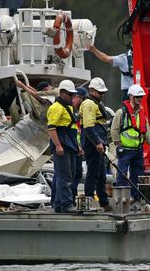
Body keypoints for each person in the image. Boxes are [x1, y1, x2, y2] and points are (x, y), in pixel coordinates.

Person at [110, 84, 150, 201]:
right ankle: (122, 198)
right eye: (137, 97)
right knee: (122, 174)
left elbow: (147, 130)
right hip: (125, 150)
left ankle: (135, 198)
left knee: (137, 174)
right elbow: (114, 130)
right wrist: (118, 144)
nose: (140, 99)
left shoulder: (141, 114)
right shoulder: (121, 113)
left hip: (137, 150)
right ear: (131, 97)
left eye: (141, 97)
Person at [47, 80, 79, 213]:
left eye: (73, 95)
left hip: (69, 143)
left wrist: (78, 146)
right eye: (70, 95)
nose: (72, 97)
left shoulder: (69, 107)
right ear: (62, 93)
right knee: (64, 176)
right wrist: (58, 146)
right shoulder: (55, 108)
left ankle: (59, 204)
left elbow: (72, 127)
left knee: (68, 175)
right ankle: (66, 204)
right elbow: (51, 128)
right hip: (62, 143)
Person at [79, 77, 110, 210]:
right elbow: (89, 127)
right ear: (91, 90)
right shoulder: (89, 104)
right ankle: (89, 200)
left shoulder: (95, 103)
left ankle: (103, 202)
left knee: (101, 174)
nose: (102, 95)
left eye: (102, 93)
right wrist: (97, 143)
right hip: (93, 144)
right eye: (99, 92)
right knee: (93, 173)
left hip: (98, 143)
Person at [70, 86, 87, 198]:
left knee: (78, 174)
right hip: (71, 148)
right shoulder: (69, 111)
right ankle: (69, 198)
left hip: (78, 148)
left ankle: (73, 197)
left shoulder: (79, 112)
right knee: (71, 175)